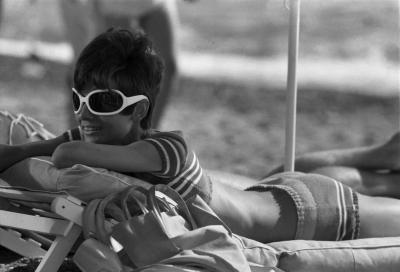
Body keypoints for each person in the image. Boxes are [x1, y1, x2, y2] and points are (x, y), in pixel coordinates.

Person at [0, 28, 399, 245]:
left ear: (140, 109)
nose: (85, 111)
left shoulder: (166, 148)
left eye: (103, 101)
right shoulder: (107, 138)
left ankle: (388, 154)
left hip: (314, 215)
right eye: (79, 98)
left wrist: (48, 146)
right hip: (276, 188)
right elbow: (20, 152)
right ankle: (384, 154)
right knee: (323, 176)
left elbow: (63, 152)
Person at [59, 0, 188, 129]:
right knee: (102, 70)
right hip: (110, 6)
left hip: (154, 3)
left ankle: (147, 135)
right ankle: (77, 136)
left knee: (167, 67)